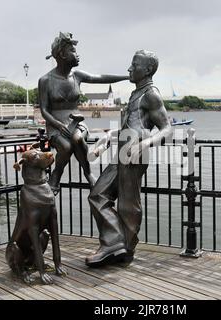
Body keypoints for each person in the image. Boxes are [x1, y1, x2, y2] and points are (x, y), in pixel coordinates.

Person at [85, 50, 172, 267]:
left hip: (135, 151)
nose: (129, 69)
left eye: (135, 65)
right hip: (123, 148)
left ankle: (123, 247)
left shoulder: (151, 94)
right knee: (98, 195)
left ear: (148, 70)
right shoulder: (135, 94)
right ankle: (115, 243)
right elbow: (129, 127)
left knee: (127, 203)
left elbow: (167, 129)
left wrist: (144, 143)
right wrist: (107, 137)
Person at [38, 32, 128, 194]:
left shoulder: (77, 76)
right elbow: (44, 110)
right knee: (65, 147)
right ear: (61, 55)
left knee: (77, 139)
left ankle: (88, 173)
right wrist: (58, 125)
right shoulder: (45, 80)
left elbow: (101, 78)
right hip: (56, 124)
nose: (77, 55)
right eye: (73, 51)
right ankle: (57, 175)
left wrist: (127, 77)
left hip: (77, 121)